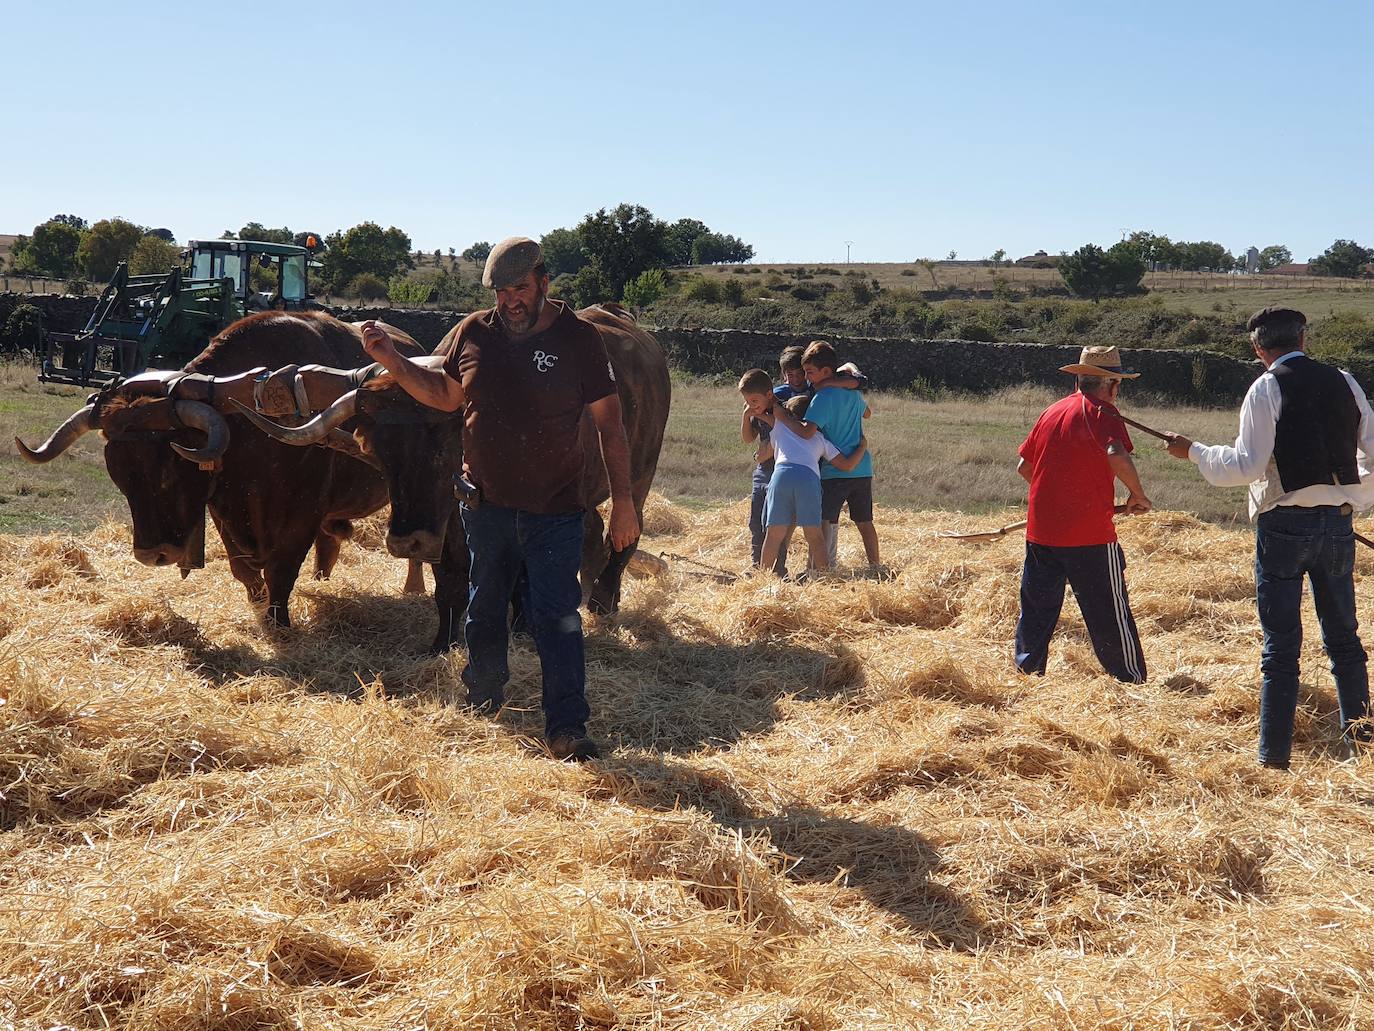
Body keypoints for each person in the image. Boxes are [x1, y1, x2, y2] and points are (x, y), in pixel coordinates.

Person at [356, 236, 638, 762]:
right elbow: (445, 396)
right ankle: (484, 705)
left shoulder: (578, 339)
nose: (511, 301)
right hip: (485, 508)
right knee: (483, 611)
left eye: (520, 289)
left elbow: (610, 423)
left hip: (555, 510)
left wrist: (624, 501)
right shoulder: (474, 332)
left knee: (557, 618)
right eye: (501, 292)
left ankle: (566, 727)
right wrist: (391, 359)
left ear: (544, 282)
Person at [1163, 306, 1374, 769]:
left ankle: (1274, 759)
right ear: (1303, 338)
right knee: (1344, 639)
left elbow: (1247, 466)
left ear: (1257, 348)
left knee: (1281, 645)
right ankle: (1361, 750)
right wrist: (1352, 492)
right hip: (1337, 524)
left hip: (1284, 527)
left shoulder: (1266, 387)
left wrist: (1194, 451)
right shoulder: (1345, 381)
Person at [1014, 345, 1152, 684]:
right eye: (1118, 383)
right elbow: (1116, 453)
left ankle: (1027, 676)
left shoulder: (1051, 411)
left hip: (1041, 532)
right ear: (1111, 385)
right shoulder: (1104, 412)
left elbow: (1024, 467)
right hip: (1089, 535)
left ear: (1079, 380)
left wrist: (1058, 498)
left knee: (1037, 610)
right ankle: (1128, 680)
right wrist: (1137, 495)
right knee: (1107, 611)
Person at [757, 395, 868, 575]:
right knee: (815, 536)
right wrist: (862, 447)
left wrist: (753, 413)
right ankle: (825, 576)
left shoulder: (780, 428)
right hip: (808, 479)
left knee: (773, 535)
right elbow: (847, 465)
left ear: (789, 415)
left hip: (781, 476)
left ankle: (762, 577)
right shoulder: (819, 438)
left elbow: (763, 449)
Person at [799, 341, 880, 569]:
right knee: (865, 521)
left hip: (834, 470)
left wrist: (783, 418)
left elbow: (808, 431)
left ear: (826, 371)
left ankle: (825, 567)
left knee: (826, 521)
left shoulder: (822, 398)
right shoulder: (852, 394)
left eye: (810, 372)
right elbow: (867, 414)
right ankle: (876, 566)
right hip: (862, 468)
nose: (806, 377)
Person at [739, 368, 788, 575]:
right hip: (762, 471)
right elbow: (748, 438)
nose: (751, 405)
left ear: (769, 394)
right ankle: (756, 564)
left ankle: (777, 568)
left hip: (780, 471)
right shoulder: (755, 411)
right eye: (747, 401)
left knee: (775, 521)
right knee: (755, 521)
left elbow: (786, 434)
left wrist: (767, 453)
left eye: (754, 401)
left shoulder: (782, 410)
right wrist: (746, 416)